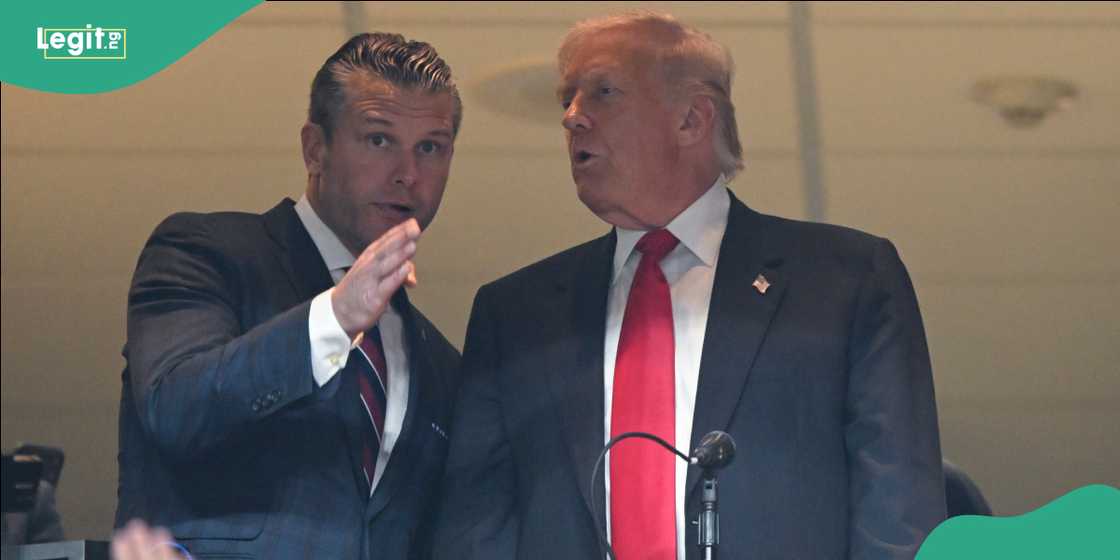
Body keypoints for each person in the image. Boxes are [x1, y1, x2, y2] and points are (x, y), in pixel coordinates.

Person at [432, 12, 945, 560]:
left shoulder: (845, 281)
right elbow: (473, 534)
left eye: (603, 92)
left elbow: (898, 519)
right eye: (568, 100)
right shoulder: (515, 316)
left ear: (692, 119)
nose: (574, 118)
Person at [116, 32, 462, 559]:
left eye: (430, 148)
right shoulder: (206, 251)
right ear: (314, 149)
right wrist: (335, 317)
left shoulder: (440, 362)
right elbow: (176, 408)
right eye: (378, 140)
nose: (408, 175)